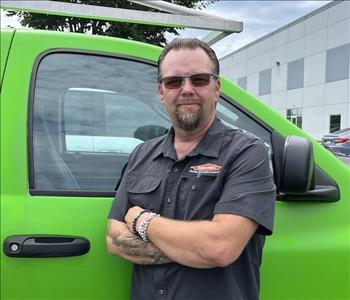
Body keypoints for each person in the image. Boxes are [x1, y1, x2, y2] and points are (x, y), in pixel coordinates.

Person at [107, 38, 276, 300]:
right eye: (174, 81)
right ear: (161, 92)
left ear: (217, 88)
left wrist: (141, 219)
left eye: (198, 79)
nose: (186, 89)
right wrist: (189, 249)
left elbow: (220, 248)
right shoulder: (141, 154)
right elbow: (113, 239)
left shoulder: (247, 153)